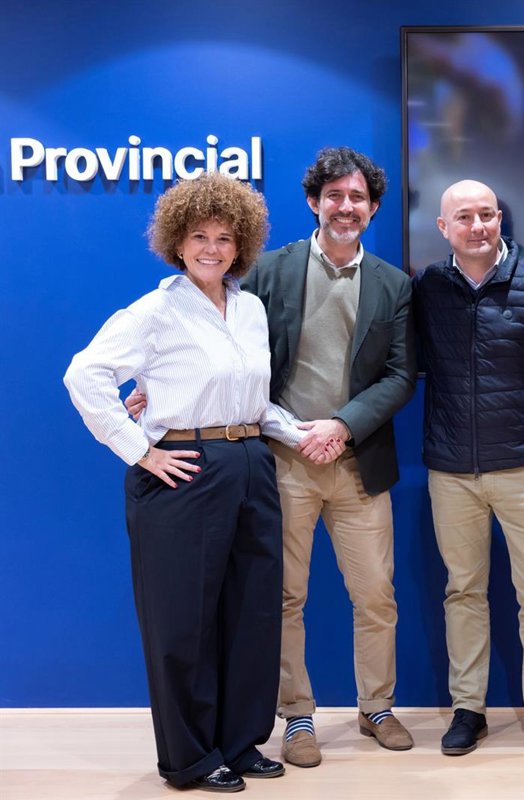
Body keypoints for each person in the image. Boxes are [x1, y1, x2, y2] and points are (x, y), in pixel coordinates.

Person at [126, 147, 418, 768]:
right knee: (281, 598)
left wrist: (342, 426)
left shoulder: (394, 283)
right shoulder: (267, 272)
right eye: (334, 196)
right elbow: (214, 337)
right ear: (314, 202)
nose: (346, 207)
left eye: (358, 198)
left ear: (372, 208)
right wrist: (153, 387)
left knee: (376, 595)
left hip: (359, 460)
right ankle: (297, 716)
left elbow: (399, 375)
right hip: (281, 462)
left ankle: (377, 707)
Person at [64, 173, 336, 792]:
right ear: (177, 243)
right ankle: (189, 759)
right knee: (182, 621)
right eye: (199, 237)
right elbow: (84, 375)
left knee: (252, 612)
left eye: (224, 237)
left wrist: (299, 433)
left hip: (251, 465)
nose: (212, 248)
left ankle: (239, 743)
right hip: (185, 473)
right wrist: (140, 451)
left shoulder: (249, 309)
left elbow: (254, 404)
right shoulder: (156, 311)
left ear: (241, 244)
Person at [413, 179, 524, 758]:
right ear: (444, 228)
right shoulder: (427, 288)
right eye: (464, 217)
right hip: (451, 472)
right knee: (463, 592)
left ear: (500, 219)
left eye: (487, 214)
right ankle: (469, 709)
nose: (478, 226)